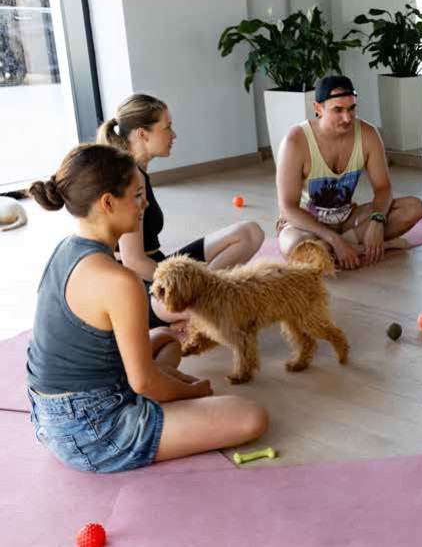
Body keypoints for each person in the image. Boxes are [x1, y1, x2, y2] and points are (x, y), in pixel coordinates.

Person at [25, 144, 268, 473]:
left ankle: (161, 396)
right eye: (137, 195)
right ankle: (157, 405)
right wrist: (191, 392)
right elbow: (143, 383)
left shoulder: (65, 249)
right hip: (91, 429)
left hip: (49, 411)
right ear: (108, 203)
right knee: (250, 417)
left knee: (167, 339)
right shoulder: (119, 281)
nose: (146, 204)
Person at [97, 94, 264, 328]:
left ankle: (204, 295)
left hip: (159, 265)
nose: (173, 135)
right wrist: (182, 283)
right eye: (167, 128)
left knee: (250, 233)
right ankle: (199, 301)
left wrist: (194, 281)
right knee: (234, 307)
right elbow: (133, 261)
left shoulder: (138, 171)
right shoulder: (130, 177)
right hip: (139, 285)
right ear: (142, 134)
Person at [275, 75, 422, 269]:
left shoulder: (368, 134)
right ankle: (360, 247)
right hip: (305, 226)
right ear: (318, 108)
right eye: (338, 110)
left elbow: (383, 188)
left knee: (414, 208)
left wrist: (377, 221)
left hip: (347, 219)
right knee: (296, 248)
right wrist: (335, 239)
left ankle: (334, 250)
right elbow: (287, 208)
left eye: (351, 109)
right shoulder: (295, 141)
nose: (347, 118)